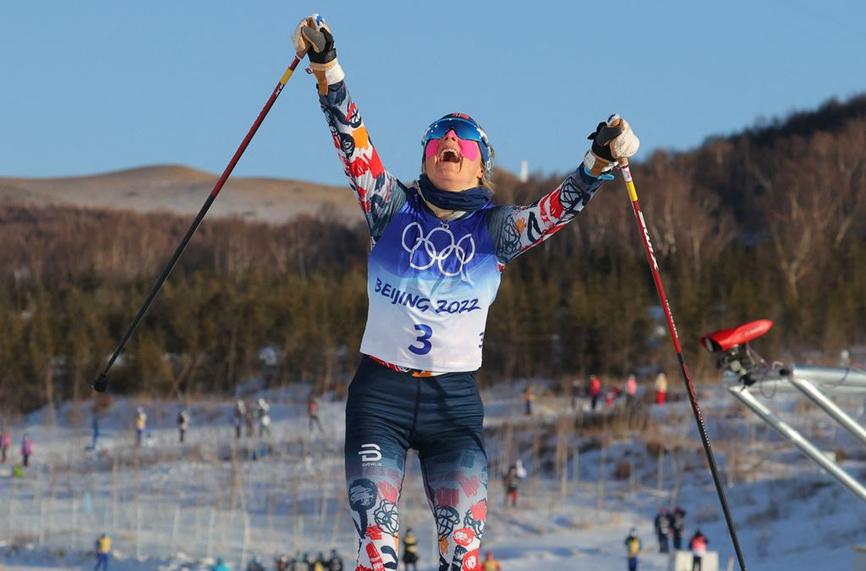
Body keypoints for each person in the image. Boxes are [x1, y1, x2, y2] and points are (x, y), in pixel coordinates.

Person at [290, 13, 639, 571]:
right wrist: (327, 67)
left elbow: (552, 213)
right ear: (427, 155)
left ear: (481, 169)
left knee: (464, 554)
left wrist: (597, 162)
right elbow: (350, 140)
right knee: (377, 552)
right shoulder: (390, 205)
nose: (450, 138)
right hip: (380, 395)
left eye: (465, 137)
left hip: (453, 406)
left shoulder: (495, 231)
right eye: (439, 135)